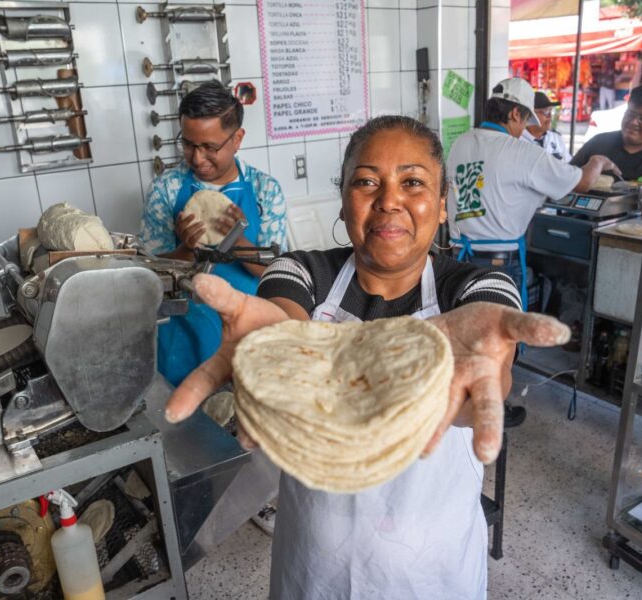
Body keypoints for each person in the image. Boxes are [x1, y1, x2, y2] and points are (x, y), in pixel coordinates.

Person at [164, 115, 571, 599]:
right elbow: (284, 319)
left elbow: (488, 362)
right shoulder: (303, 271)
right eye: (366, 182)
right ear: (343, 199)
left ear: (443, 204)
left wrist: (473, 381)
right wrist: (274, 345)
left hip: (433, 574)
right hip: (313, 569)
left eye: (413, 182)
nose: (389, 200)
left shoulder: (476, 288)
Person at [140, 80, 287, 535]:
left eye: (210, 147)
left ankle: (258, 499)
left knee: (251, 420)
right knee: (189, 431)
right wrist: (185, 250)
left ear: (237, 138)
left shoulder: (263, 190)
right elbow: (149, 273)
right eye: (188, 144)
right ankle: (192, 510)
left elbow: (279, 272)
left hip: (246, 329)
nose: (197, 158)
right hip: (185, 331)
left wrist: (238, 243)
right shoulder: (168, 189)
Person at [446, 77, 618, 427]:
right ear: (514, 113)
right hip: (498, 264)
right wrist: (598, 161)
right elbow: (582, 181)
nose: (525, 128)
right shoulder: (521, 151)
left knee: (469, 337)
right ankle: (490, 412)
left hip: (459, 257)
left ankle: (464, 401)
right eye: (525, 120)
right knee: (500, 343)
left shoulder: (462, 142)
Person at [521, 92, 571, 162]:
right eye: (546, 111)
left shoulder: (556, 138)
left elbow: (569, 164)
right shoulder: (518, 141)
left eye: (550, 110)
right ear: (530, 115)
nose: (549, 116)